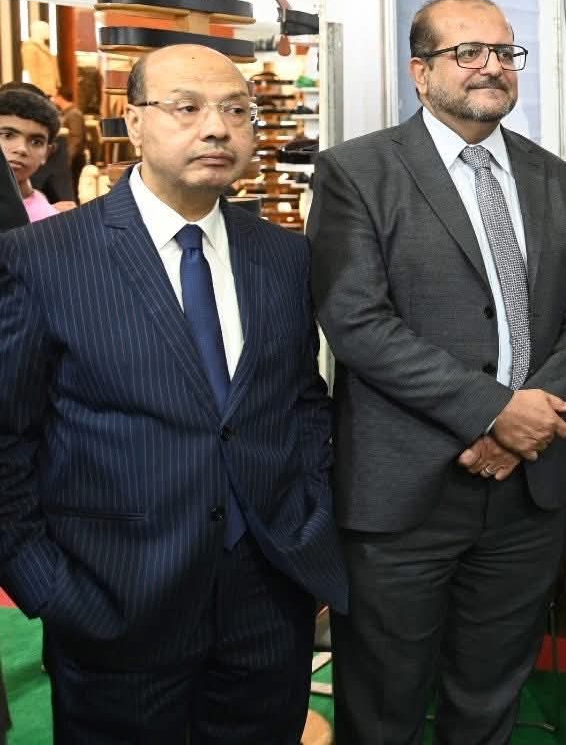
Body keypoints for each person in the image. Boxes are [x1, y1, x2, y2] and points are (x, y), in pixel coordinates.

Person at [0, 44, 347, 742]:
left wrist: (307, 522)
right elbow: (8, 437)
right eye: (186, 108)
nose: (216, 128)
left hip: (266, 602)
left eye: (236, 111)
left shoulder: (281, 255)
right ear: (133, 122)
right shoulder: (44, 257)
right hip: (113, 601)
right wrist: (47, 585)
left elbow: (301, 402)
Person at [307, 0, 566, 743]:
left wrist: (528, 417)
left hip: (525, 491)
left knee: (489, 698)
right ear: (421, 71)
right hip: (405, 495)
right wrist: (493, 412)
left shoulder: (554, 177)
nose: (491, 67)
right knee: (384, 707)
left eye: (504, 53)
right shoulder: (358, 172)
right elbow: (356, 322)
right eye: (467, 52)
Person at [0, 85, 69, 222]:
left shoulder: (47, 220)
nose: (22, 149)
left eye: (36, 142)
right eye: (8, 135)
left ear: (47, 153)